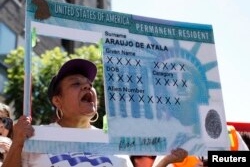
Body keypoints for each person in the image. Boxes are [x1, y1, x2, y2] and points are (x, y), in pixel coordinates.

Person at [2, 58, 188, 167]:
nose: (86, 86)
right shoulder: (34, 137)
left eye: (89, 85)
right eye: (76, 83)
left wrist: (165, 161)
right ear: (57, 100)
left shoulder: (113, 142)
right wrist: (17, 144)